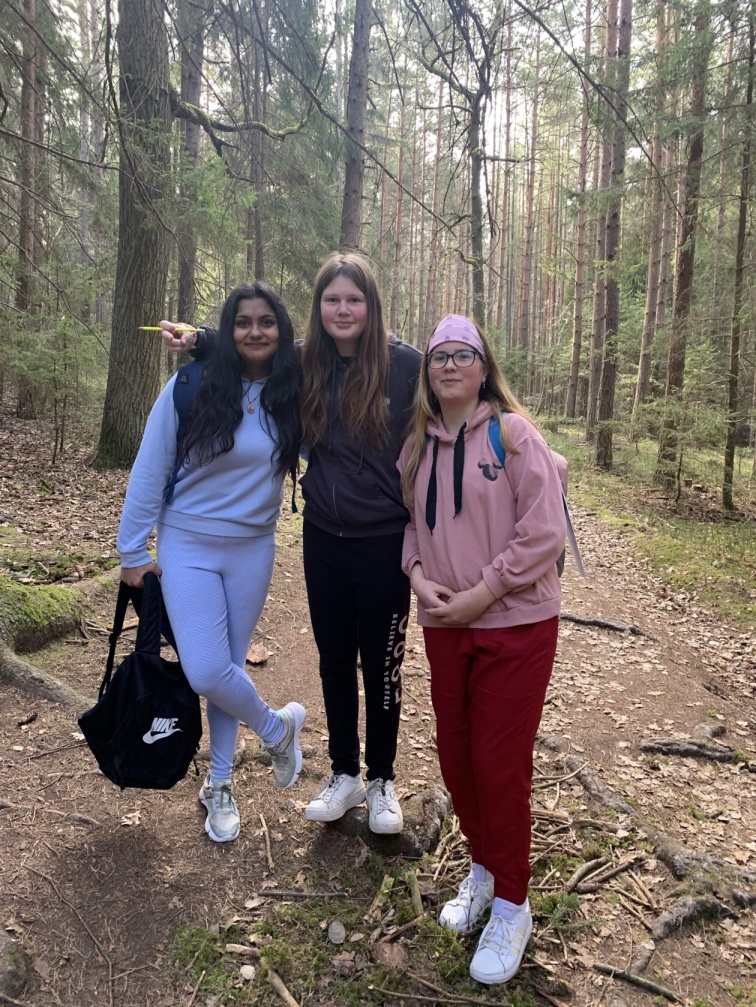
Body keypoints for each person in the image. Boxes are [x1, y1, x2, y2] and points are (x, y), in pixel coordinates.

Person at [161, 252, 421, 835]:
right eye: (332, 299)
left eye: (354, 299)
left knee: (382, 664)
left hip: (385, 540)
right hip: (324, 537)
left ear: (371, 305)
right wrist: (199, 337)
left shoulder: (406, 366)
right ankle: (344, 773)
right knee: (334, 658)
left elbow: (463, 396)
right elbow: (252, 346)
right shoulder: (306, 362)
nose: (343, 310)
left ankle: (381, 779)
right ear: (318, 307)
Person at [397, 314, 565, 984]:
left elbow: (543, 532)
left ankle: (514, 905)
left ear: (483, 366)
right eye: (438, 356)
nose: (449, 365)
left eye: (462, 355)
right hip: (445, 626)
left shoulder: (513, 435)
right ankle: (485, 868)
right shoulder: (417, 446)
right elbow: (412, 528)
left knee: (498, 764)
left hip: (516, 624)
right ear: (427, 372)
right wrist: (417, 577)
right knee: (458, 758)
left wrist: (483, 593)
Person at [118, 282, 307, 844]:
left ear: (282, 330)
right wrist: (132, 550)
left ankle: (219, 784)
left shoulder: (293, 391)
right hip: (188, 543)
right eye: (242, 322)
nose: (255, 331)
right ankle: (277, 729)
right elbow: (151, 466)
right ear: (230, 330)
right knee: (206, 670)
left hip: (254, 547)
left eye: (266, 321)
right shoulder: (191, 385)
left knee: (228, 668)